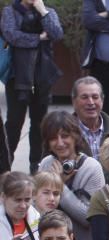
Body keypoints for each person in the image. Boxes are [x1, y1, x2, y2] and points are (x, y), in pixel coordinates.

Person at [38, 111, 106, 240]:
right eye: (54, 138)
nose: (60, 143)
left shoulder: (91, 168)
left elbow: (89, 218)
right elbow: (40, 211)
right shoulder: (46, 164)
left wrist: (59, 186)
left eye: (65, 136)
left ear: (76, 136)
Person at [2, 0, 62, 174]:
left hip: (42, 75)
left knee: (40, 123)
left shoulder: (48, 11)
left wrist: (43, 11)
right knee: (13, 123)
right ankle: (5, 165)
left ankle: (36, 165)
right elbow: (11, 35)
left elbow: (57, 34)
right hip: (17, 76)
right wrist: (39, 38)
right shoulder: (10, 12)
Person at [71, 76, 109, 158]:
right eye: (84, 97)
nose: (90, 102)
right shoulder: (64, 131)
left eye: (95, 97)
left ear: (102, 100)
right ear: (74, 101)